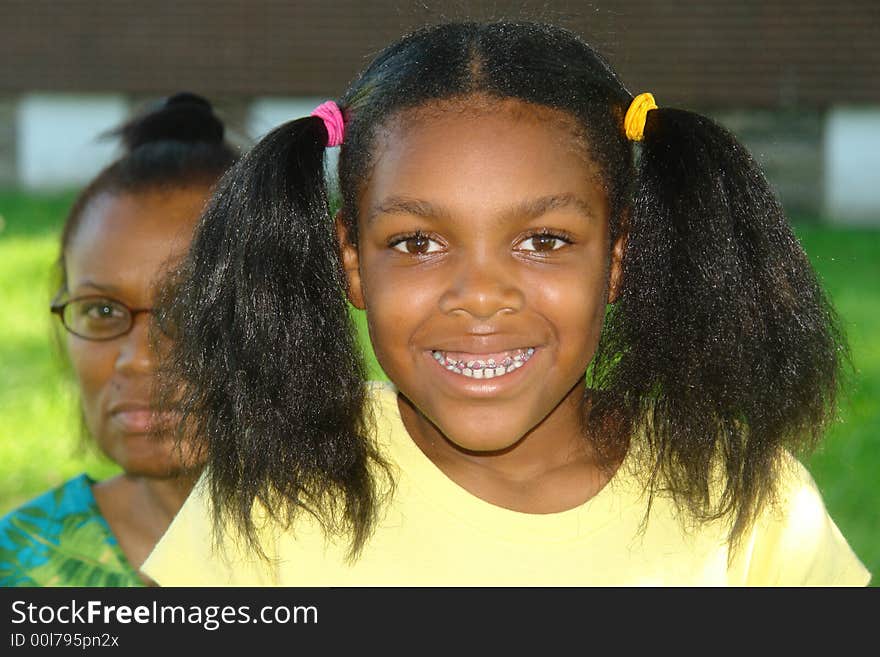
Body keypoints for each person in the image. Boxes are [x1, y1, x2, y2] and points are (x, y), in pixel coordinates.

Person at [144, 22, 870, 585]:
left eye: (545, 240)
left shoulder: (748, 500)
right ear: (352, 262)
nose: (481, 296)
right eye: (418, 242)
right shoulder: (275, 488)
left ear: (617, 256)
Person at [0, 93, 239, 586]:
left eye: (191, 310)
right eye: (102, 311)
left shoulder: (393, 545)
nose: (138, 360)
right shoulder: (24, 564)